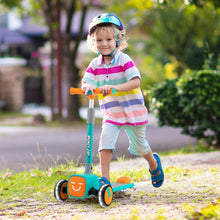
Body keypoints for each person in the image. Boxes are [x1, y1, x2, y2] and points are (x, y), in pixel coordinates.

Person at [82, 13, 164, 188]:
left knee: (140, 147)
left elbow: (135, 81)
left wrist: (113, 88)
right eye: (99, 40)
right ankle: (105, 179)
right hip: (112, 113)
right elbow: (87, 80)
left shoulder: (124, 60)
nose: (104, 44)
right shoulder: (95, 64)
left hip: (132, 111)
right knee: (105, 142)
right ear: (93, 42)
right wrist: (87, 87)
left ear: (118, 40)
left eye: (109, 39)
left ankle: (153, 163)